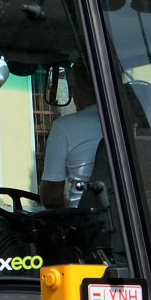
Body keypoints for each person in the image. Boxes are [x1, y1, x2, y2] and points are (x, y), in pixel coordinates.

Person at [40, 57, 106, 210]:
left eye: (73, 88)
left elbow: (51, 196)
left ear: (80, 88)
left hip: (83, 219)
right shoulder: (124, 122)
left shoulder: (63, 126)